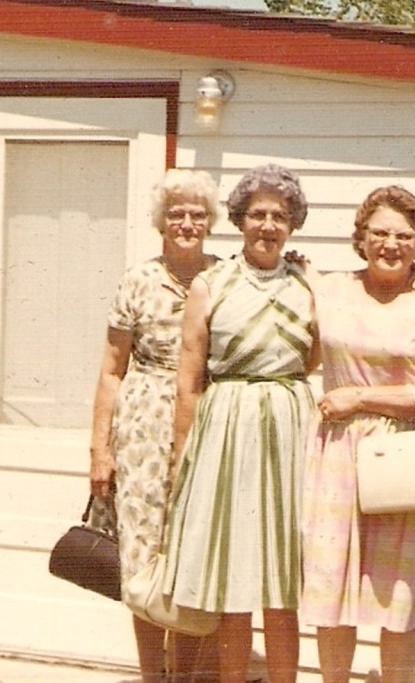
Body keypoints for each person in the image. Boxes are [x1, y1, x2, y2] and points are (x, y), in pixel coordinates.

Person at [162, 164, 319, 683]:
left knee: (283, 582)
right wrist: (183, 455)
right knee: (235, 580)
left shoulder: (309, 283)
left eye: (279, 216)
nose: (267, 226)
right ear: (239, 221)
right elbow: (188, 377)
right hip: (226, 432)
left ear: (293, 223)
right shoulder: (212, 284)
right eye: (257, 215)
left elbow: (317, 356)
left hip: (290, 431)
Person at [300, 185, 415, 683]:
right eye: (379, 233)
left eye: (403, 235)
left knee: (399, 593)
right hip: (336, 454)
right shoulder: (328, 288)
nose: (390, 244)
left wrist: (360, 398)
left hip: (403, 457)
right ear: (361, 238)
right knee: (333, 585)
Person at [88, 168, 221, 683]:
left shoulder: (225, 277)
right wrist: (100, 449)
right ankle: (152, 676)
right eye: (176, 213)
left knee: (190, 555)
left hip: (205, 424)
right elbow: (110, 369)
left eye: (196, 213)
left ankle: (183, 677)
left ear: (210, 221)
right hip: (142, 427)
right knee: (142, 557)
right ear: (160, 221)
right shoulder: (137, 280)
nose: (186, 222)